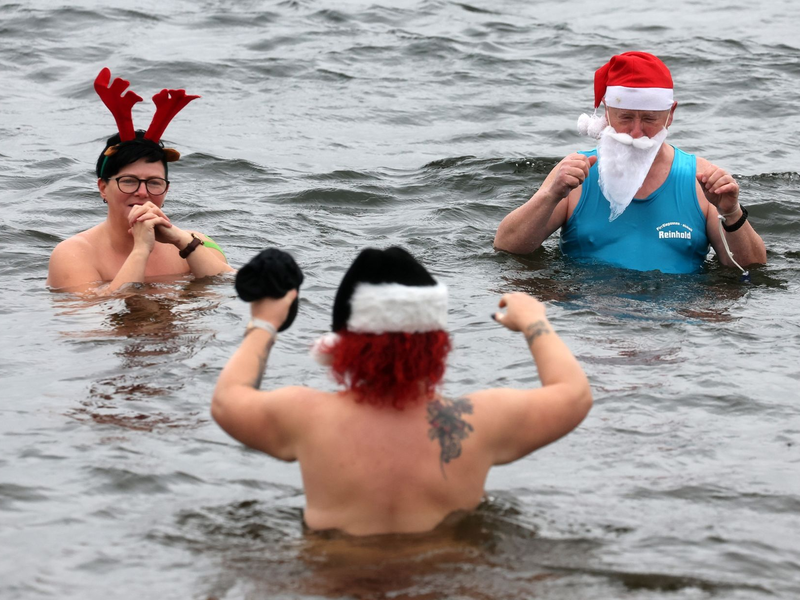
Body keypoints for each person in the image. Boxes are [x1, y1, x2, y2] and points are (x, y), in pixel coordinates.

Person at [212, 247, 592, 536]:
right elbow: (574, 394)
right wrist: (535, 322)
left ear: (339, 343)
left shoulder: (304, 416)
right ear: (437, 342)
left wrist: (264, 323)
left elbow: (227, 400)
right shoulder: (479, 421)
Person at [494, 51, 767, 275]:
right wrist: (549, 195)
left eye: (649, 119)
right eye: (625, 117)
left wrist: (731, 213)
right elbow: (507, 247)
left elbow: (751, 269)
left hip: (674, 323)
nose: (636, 132)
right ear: (606, 113)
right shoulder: (577, 176)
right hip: (593, 319)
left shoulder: (701, 180)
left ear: (670, 115)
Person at [47, 68, 233, 294]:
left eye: (154, 182)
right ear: (103, 187)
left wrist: (183, 242)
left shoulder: (195, 243)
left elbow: (236, 286)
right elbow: (93, 318)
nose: (143, 192)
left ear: (166, 189)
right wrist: (141, 250)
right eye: (129, 181)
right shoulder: (72, 254)